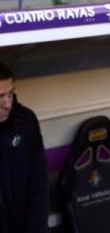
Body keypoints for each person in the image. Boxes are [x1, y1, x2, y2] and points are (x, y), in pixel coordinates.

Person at [0, 61, 48, 233]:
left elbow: (39, 186)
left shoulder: (26, 122)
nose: (7, 104)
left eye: (10, 94)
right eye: (0, 97)